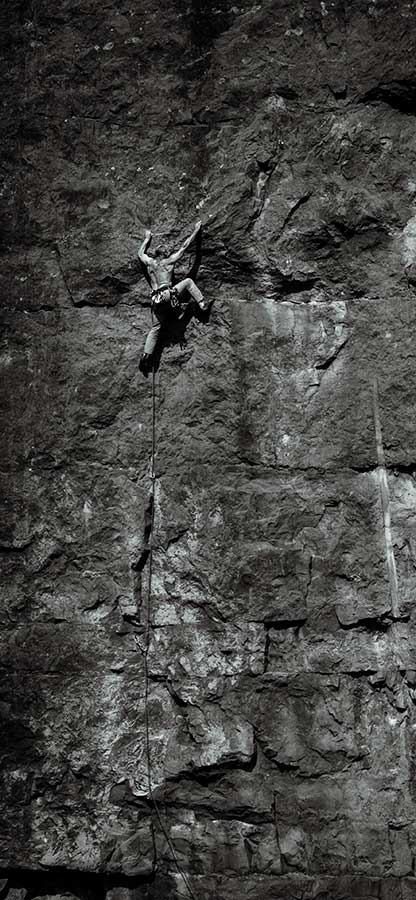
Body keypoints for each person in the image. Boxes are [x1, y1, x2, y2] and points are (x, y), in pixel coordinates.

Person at [138, 221, 212, 376]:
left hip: (156, 300)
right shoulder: (168, 262)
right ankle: (202, 304)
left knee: (156, 329)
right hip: (168, 295)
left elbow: (139, 254)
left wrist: (147, 238)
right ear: (165, 254)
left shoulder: (150, 262)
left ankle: (146, 356)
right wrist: (196, 230)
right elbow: (184, 247)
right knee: (188, 282)